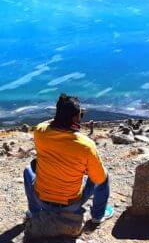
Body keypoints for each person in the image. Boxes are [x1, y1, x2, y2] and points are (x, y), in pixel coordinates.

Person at [24, 94, 114, 224]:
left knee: (28, 170)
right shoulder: (85, 145)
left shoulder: (40, 132)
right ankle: (98, 216)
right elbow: (99, 179)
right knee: (102, 176)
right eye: (80, 115)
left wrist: (61, 117)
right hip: (71, 205)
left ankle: (34, 212)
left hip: (41, 200)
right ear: (75, 118)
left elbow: (47, 123)